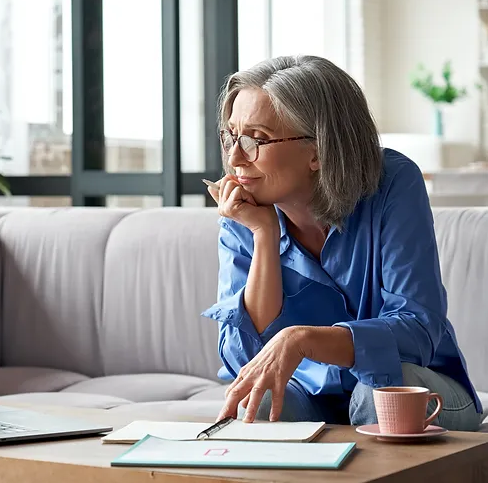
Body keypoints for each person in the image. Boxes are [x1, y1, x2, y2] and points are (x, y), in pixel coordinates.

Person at [201, 55, 484, 431]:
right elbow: (244, 360)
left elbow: (418, 330)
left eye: (257, 139)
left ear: (318, 150)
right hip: (311, 396)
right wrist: (264, 236)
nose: (235, 158)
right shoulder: (245, 210)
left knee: (379, 391)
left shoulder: (393, 183)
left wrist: (303, 340)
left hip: (420, 389)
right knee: (260, 400)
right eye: (231, 136)